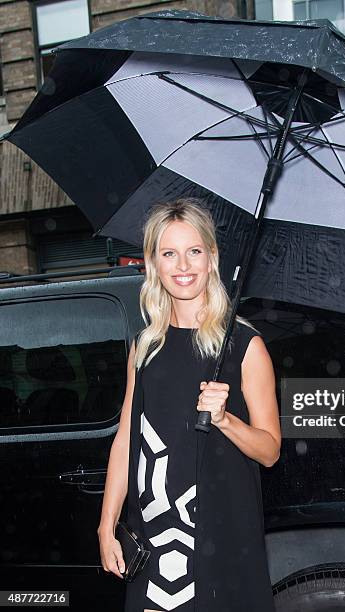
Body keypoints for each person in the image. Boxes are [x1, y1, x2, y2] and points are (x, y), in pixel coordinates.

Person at [97, 198, 281, 612]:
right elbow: (126, 440)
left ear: (212, 258)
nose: (183, 265)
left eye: (194, 251)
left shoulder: (246, 348)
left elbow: (270, 451)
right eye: (169, 253)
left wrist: (226, 419)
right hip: (157, 534)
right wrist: (107, 525)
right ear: (153, 264)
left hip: (224, 532)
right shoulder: (145, 349)